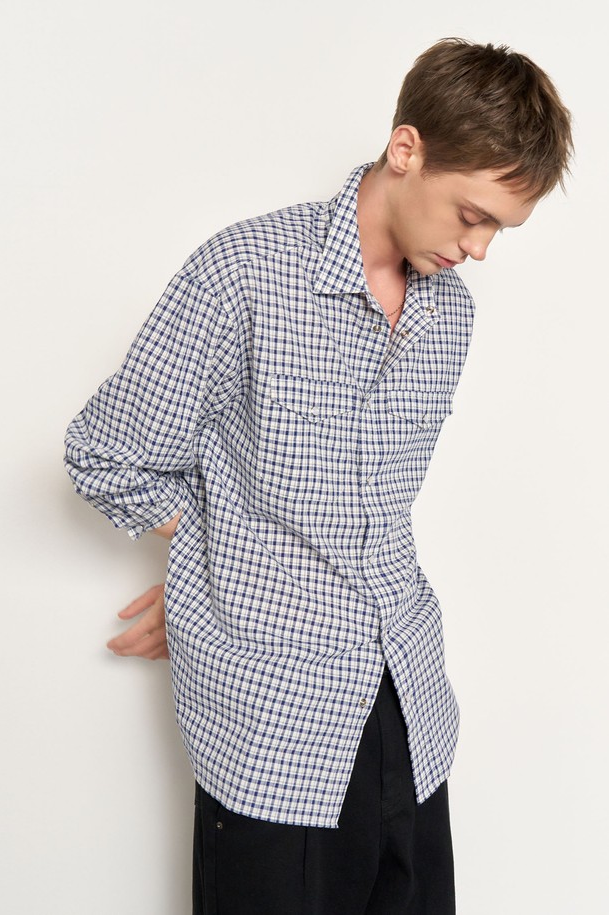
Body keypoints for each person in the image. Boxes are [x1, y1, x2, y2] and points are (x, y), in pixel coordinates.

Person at [64, 38, 573, 914]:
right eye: (472, 215)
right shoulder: (244, 273)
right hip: (275, 731)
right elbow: (104, 453)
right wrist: (214, 567)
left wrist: (220, 561)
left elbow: (372, 511)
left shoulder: (449, 313)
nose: (480, 248)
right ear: (406, 149)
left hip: (411, 713)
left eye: (499, 229)